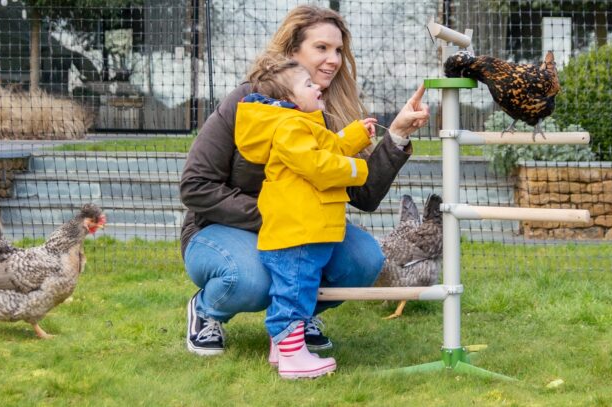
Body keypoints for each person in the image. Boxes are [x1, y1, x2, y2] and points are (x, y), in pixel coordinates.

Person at [180, 4, 429, 357]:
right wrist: (278, 215)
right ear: (292, 51)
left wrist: (397, 136)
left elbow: (364, 194)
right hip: (221, 227)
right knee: (252, 278)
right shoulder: (246, 103)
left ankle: (295, 321)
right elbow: (195, 186)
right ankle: (207, 310)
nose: (333, 59)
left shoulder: (324, 109)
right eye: (321, 48)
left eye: (339, 50)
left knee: (364, 259)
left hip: (299, 226)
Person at [235, 54, 376, 378]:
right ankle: (293, 357)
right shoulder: (290, 128)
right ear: (288, 100)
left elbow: (326, 148)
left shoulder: (301, 125)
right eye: (308, 84)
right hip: (298, 230)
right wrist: (359, 168)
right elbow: (320, 166)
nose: (317, 87)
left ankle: (281, 349)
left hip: (305, 228)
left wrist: (355, 136)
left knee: (295, 288)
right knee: (295, 292)